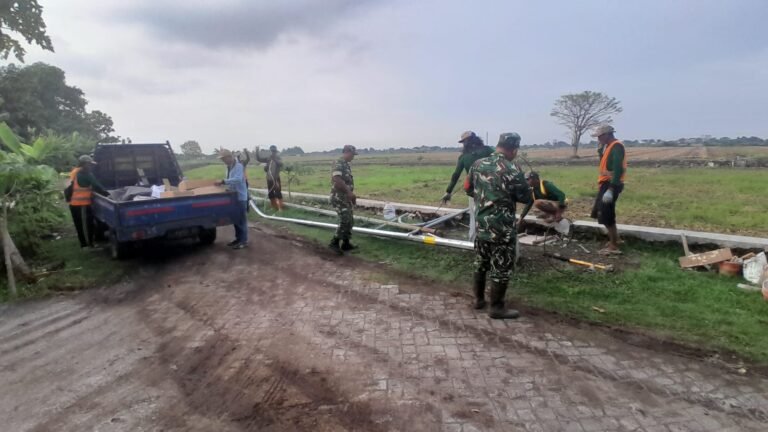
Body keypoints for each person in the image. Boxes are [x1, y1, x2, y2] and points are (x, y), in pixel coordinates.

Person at [464, 133, 532, 319]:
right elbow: (526, 198)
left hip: (482, 225)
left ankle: (478, 300)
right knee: (501, 266)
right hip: (502, 228)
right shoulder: (512, 169)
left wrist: (485, 196)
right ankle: (496, 307)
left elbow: (468, 189)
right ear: (514, 149)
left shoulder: (477, 164)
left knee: (480, 262)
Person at [441, 131, 494, 240]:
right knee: (491, 216)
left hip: (474, 193)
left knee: (475, 218)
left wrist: (448, 192)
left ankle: (473, 240)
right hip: (493, 191)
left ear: (467, 142)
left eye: (464, 142)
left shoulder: (464, 157)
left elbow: (455, 175)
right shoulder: (488, 150)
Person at [590, 124, 626, 255]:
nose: (598, 139)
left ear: (607, 134)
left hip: (612, 184)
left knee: (606, 214)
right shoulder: (608, 147)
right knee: (601, 212)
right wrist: (600, 151)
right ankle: (616, 239)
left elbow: (618, 169)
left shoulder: (616, 146)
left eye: (600, 136)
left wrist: (611, 189)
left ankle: (613, 245)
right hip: (606, 184)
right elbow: (604, 164)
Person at [67, 155, 108, 249]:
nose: (91, 167)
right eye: (89, 164)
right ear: (84, 164)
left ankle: (86, 243)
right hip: (81, 205)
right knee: (85, 226)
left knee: (81, 225)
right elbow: (97, 185)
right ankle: (87, 245)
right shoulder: (86, 174)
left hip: (75, 204)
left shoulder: (76, 172)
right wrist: (107, 194)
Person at [215, 149, 249, 249]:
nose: (223, 161)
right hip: (233, 197)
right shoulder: (228, 167)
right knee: (235, 220)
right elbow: (230, 181)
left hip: (240, 197)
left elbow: (238, 179)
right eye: (222, 159)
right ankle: (238, 239)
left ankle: (243, 241)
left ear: (230, 157)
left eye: (224, 159)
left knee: (241, 221)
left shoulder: (239, 166)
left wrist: (223, 181)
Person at [329, 145, 358, 254]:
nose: (353, 157)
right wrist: (349, 192)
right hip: (338, 197)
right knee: (345, 219)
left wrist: (350, 195)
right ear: (347, 152)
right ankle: (334, 243)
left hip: (345, 198)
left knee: (350, 220)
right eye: (352, 155)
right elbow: (336, 179)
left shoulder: (346, 164)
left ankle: (346, 243)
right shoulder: (338, 162)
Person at [255, 145, 284, 211]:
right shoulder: (268, 158)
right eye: (271, 151)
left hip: (276, 178)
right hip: (269, 178)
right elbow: (259, 159)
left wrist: (274, 159)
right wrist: (257, 151)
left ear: (276, 151)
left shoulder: (278, 157)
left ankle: (280, 208)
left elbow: (281, 164)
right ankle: (274, 207)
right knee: (270, 193)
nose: (272, 152)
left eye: (274, 151)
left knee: (278, 192)